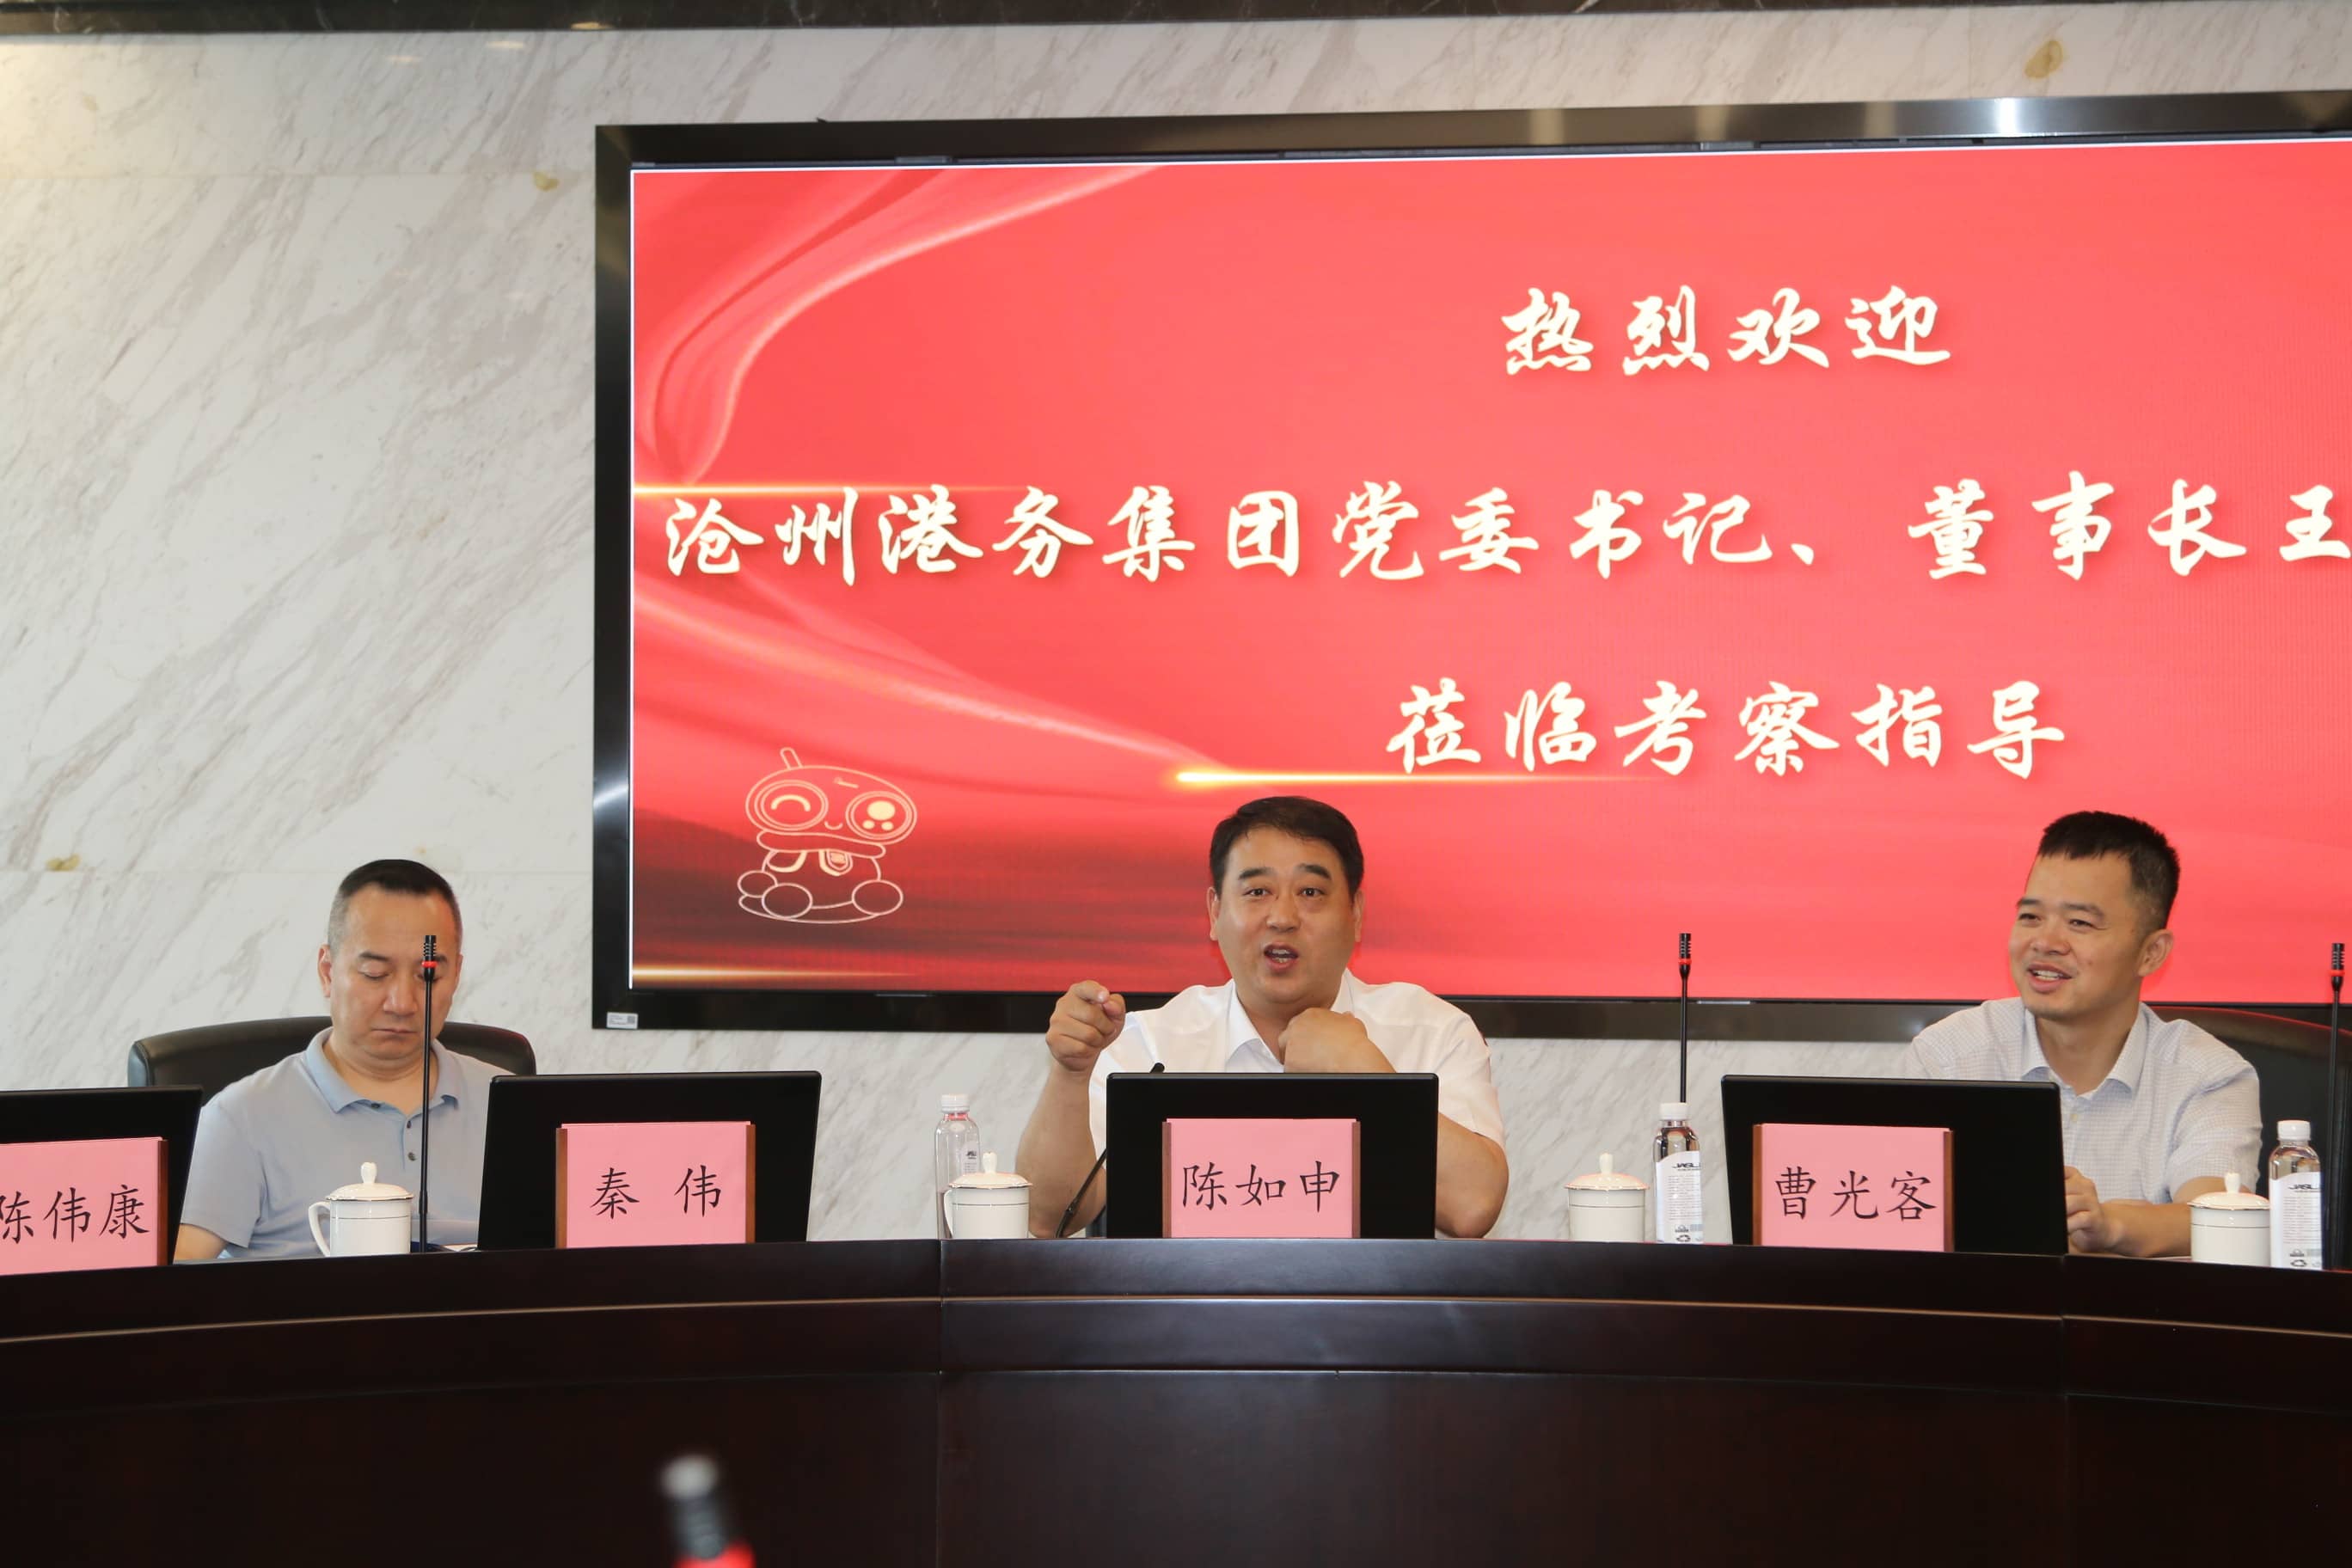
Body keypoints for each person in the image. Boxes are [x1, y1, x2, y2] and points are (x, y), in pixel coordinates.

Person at [1017, 796, 1509, 1238]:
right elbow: (1047, 1218)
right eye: (1257, 892)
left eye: (1311, 892)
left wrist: (1364, 1071)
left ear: (1356, 913)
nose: (1283, 917)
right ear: (1215, 912)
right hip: (1187, 1309)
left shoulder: (1431, 1032)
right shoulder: (1149, 1045)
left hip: (1374, 1309)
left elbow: (1472, 1208)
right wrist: (1071, 1074)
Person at [1898, 811, 2258, 1257]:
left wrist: (2109, 1225)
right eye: (2031, 916)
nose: (2045, 942)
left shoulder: (2208, 1075)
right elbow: (1898, 1209)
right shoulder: (1948, 1057)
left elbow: (2218, 1220)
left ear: (2151, 953)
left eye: (2080, 923)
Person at [174, 860, 508, 1259]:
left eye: (427, 975)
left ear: (456, 976)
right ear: (328, 972)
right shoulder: (241, 1118)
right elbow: (169, 1276)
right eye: (374, 973)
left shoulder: (510, 1105)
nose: (402, 1003)